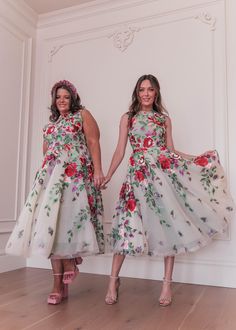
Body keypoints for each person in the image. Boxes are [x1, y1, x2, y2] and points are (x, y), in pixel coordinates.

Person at [102, 74, 234, 307]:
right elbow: (120, 151)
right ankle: (113, 281)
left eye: (150, 89)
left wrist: (198, 159)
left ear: (156, 92)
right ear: (136, 92)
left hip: (162, 177)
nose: (145, 93)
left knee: (167, 226)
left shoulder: (164, 120)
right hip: (136, 178)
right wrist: (109, 174)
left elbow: (171, 151)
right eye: (141, 89)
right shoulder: (128, 118)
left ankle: (166, 284)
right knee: (126, 227)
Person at [6, 80, 105, 304]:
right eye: (58, 97)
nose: (62, 100)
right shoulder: (49, 127)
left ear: (73, 99)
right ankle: (57, 285)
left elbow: (93, 141)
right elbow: (46, 156)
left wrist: (98, 170)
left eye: (66, 97)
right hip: (52, 181)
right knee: (52, 225)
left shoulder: (82, 115)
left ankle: (70, 262)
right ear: (54, 100)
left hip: (76, 178)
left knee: (69, 223)